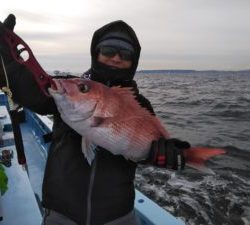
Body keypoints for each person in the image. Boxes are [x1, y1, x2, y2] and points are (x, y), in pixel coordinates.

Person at [0, 14, 190, 225]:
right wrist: (6, 60)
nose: (116, 58)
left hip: (118, 216)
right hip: (62, 214)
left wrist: (163, 154)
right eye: (108, 50)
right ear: (96, 53)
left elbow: (140, 149)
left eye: (125, 54)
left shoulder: (140, 104)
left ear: (133, 61)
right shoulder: (68, 89)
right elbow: (23, 86)